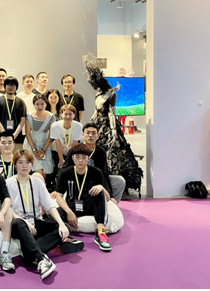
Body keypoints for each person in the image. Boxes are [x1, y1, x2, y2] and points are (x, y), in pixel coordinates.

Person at [6, 149, 84, 279]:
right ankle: (40, 258)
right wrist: (25, 222)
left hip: (35, 221)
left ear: (32, 164)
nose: (24, 166)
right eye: (20, 162)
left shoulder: (37, 182)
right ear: (15, 165)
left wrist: (61, 223)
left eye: (27, 162)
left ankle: (28, 253)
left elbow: (49, 205)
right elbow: (7, 209)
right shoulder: (8, 183)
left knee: (63, 228)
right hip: (18, 223)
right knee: (18, 223)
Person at [83, 53, 143, 197]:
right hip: (98, 124)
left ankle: (119, 184)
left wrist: (113, 131)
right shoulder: (98, 94)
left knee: (114, 151)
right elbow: (96, 110)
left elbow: (111, 112)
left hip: (108, 126)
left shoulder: (110, 94)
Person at [55, 143, 112, 252]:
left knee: (100, 192)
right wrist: (69, 212)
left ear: (88, 158)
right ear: (73, 158)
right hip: (73, 205)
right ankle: (66, 236)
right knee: (53, 214)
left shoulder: (96, 172)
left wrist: (102, 188)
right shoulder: (65, 173)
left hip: (90, 205)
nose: (80, 160)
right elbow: (59, 196)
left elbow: (107, 198)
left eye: (84, 157)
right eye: (77, 157)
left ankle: (100, 232)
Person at [64, 122, 124, 204]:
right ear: (83, 135)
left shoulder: (101, 152)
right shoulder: (75, 150)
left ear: (97, 136)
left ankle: (110, 204)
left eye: (93, 133)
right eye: (88, 133)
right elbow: (65, 169)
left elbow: (104, 173)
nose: (90, 135)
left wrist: (110, 195)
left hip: (96, 180)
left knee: (119, 181)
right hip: (78, 179)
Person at [0, 76, 27, 152]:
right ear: (5, 86)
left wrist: (14, 135)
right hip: (2, 139)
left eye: (13, 85)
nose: (11, 87)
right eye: (8, 85)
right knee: (1, 159)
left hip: (17, 139)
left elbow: (22, 121)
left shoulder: (20, 102)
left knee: (17, 158)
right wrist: (5, 135)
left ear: (16, 87)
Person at [25, 94, 56, 178]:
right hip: (32, 143)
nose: (40, 106)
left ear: (46, 104)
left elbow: (51, 135)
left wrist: (43, 149)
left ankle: (42, 186)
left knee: (44, 172)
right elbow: (27, 134)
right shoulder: (29, 116)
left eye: (42, 104)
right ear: (34, 104)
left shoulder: (51, 117)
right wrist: (34, 149)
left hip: (45, 144)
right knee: (37, 170)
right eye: (37, 104)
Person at [50, 104, 83, 168]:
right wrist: (61, 159)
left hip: (71, 151)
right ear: (61, 114)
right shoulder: (55, 126)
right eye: (65, 114)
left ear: (74, 115)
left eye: (70, 114)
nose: (68, 117)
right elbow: (58, 143)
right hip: (57, 151)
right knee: (58, 168)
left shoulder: (78, 126)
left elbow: (75, 144)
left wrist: (69, 160)